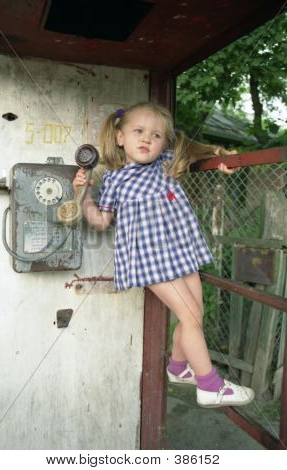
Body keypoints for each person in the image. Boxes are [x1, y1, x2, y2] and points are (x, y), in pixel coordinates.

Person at [73, 102, 254, 408]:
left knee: (196, 313)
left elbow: (198, 150)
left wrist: (220, 155)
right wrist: (85, 194)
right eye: (138, 132)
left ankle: (178, 367)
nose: (147, 139)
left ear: (164, 143)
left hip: (181, 252)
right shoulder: (116, 179)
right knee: (189, 316)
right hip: (150, 259)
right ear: (120, 137)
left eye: (156, 135)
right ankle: (209, 384)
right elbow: (101, 221)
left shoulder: (166, 163)